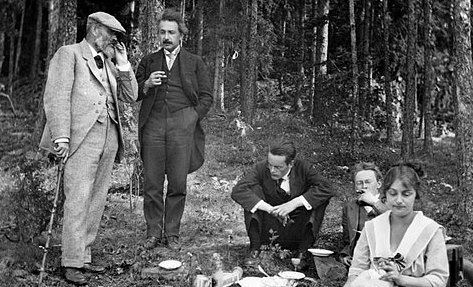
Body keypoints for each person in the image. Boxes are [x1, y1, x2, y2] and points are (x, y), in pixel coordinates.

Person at [39, 12, 138, 285]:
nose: (114, 40)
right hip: (80, 137)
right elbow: (56, 95)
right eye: (111, 34)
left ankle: (83, 257)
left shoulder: (109, 62)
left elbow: (131, 96)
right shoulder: (68, 54)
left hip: (109, 137)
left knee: (96, 200)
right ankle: (71, 261)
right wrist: (60, 136)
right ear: (95, 31)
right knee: (78, 198)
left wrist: (124, 64)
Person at [135, 9, 213, 250]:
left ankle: (172, 234)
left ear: (181, 35)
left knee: (178, 183)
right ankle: (153, 233)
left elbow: (207, 97)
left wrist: (191, 117)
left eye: (171, 32)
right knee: (152, 184)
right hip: (153, 127)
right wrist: (146, 84)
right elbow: (133, 92)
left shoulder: (194, 62)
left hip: (182, 128)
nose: (166, 37)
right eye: (162, 32)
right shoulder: (148, 61)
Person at [231, 138, 333, 267]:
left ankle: (303, 253)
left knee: (318, 199)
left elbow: (327, 188)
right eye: (270, 164)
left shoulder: (304, 168)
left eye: (278, 167)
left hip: (297, 230)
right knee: (251, 193)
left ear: (291, 164)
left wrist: (294, 203)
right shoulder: (261, 168)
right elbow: (238, 191)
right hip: (269, 230)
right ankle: (255, 250)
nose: (272, 170)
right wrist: (269, 209)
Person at [344, 163, 449, 287]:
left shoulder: (430, 230)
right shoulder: (372, 227)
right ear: (385, 194)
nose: (399, 200)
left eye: (406, 194)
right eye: (393, 194)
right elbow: (357, 269)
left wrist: (401, 279)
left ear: (416, 195)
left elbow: (438, 280)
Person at [340, 162, 388, 267]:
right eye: (359, 183)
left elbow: (398, 221)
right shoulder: (349, 208)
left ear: (378, 184)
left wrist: (375, 203)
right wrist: (346, 256)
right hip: (359, 261)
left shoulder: (390, 203)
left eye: (368, 182)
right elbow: (347, 240)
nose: (364, 186)